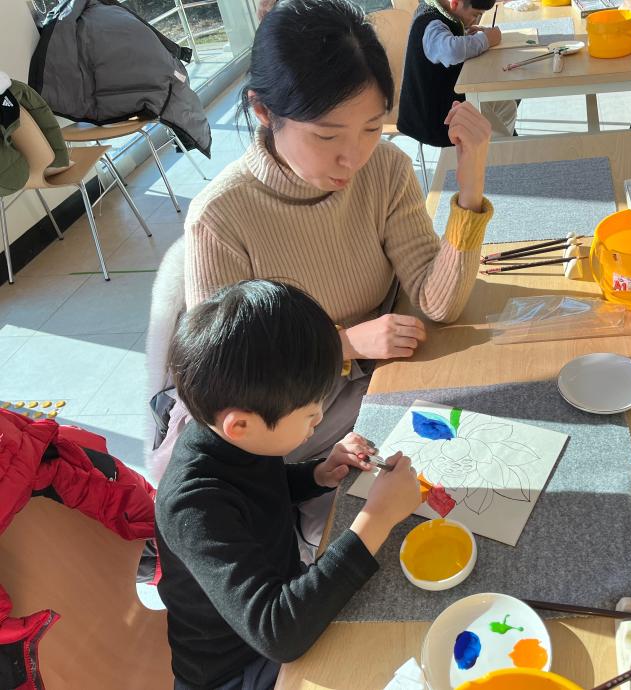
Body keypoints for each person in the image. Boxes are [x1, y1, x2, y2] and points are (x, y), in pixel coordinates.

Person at [151, 0, 494, 549]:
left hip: (378, 387)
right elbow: (228, 380)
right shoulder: (222, 217)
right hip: (289, 429)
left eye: (371, 127)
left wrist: (470, 184)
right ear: (264, 112)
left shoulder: (385, 168)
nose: (352, 158)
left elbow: (439, 303)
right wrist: (344, 344)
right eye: (327, 137)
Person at [156, 280, 422, 690]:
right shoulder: (191, 506)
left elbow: (255, 491)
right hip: (238, 669)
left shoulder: (234, 437)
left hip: (280, 604)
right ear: (241, 425)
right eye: (310, 415)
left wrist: (316, 474)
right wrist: (377, 517)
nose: (320, 421)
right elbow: (278, 633)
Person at [398, 0, 518, 146]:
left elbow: (445, 43)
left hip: (450, 99)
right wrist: (486, 39)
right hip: (435, 118)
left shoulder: (442, 10)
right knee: (492, 131)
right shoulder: (431, 23)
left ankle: (499, 145)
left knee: (507, 106)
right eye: (475, 15)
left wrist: (466, 34)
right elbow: (451, 51)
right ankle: (496, 149)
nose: (474, 20)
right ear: (455, 3)